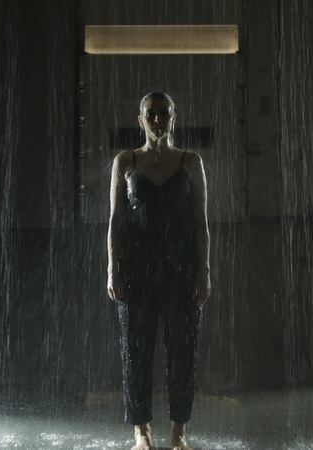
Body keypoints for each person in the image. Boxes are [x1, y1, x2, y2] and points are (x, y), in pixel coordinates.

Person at [107, 92, 211, 450]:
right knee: (136, 351)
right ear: (140, 119)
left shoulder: (190, 162)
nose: (157, 120)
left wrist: (204, 271)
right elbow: (115, 221)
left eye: (163, 114)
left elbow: (201, 222)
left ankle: (179, 431)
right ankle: (142, 431)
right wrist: (111, 270)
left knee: (183, 350)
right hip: (136, 270)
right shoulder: (125, 161)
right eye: (150, 114)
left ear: (173, 118)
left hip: (181, 269)